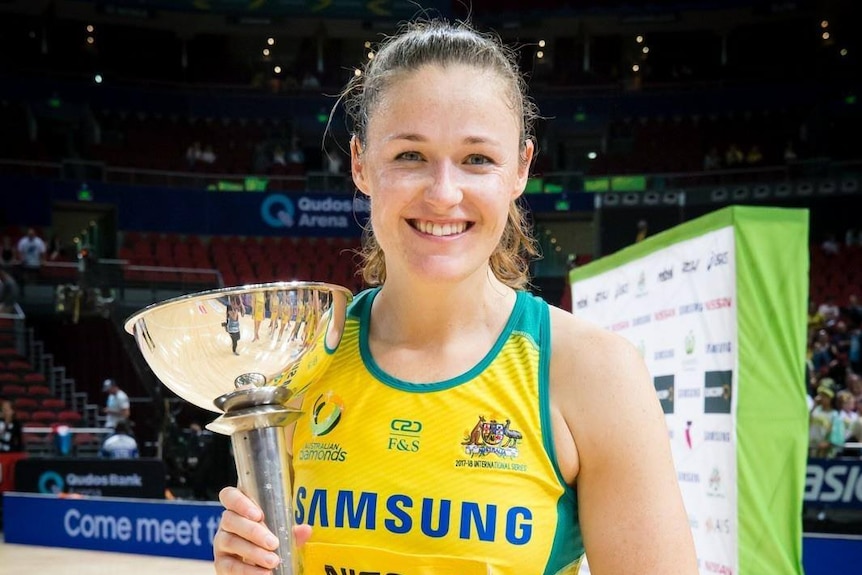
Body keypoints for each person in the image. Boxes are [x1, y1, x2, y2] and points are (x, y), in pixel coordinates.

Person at [212, 19, 697, 575]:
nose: (444, 194)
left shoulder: (594, 373)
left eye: (477, 159)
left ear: (520, 169)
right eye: (410, 156)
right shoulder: (300, 361)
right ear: (361, 164)